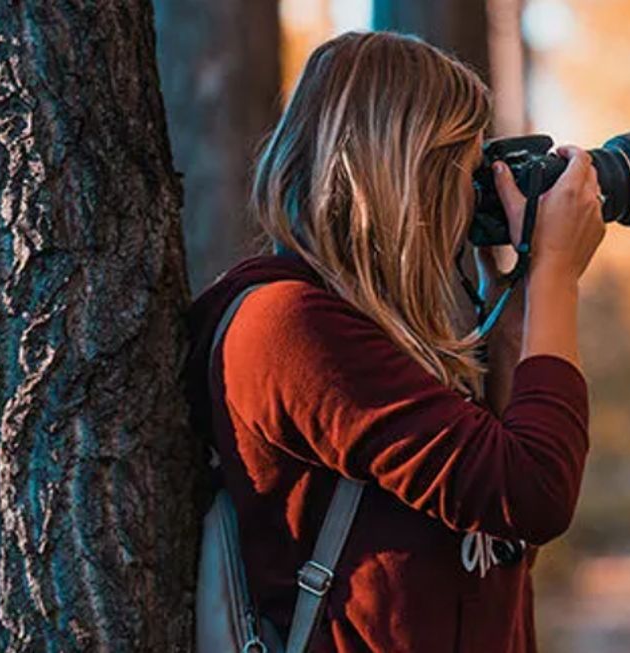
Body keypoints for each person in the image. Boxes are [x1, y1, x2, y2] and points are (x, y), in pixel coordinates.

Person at [183, 30, 604, 653]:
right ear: (411, 174)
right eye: (466, 165)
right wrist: (554, 275)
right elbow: (533, 492)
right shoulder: (289, 327)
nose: (473, 193)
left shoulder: (386, 329)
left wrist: (507, 288)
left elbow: (504, 532)